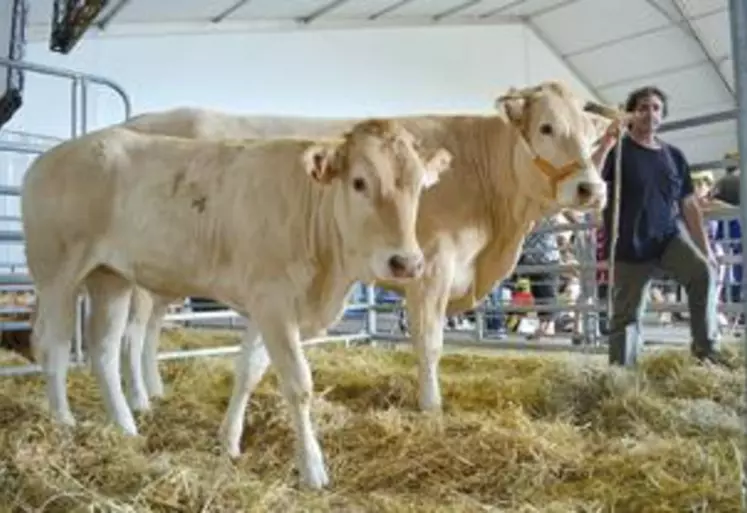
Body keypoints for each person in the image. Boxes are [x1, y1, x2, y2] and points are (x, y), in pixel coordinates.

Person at [592, 85, 728, 367]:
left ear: (662, 115)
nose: (649, 113)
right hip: (629, 243)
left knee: (702, 272)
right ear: (631, 115)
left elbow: (689, 205)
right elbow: (590, 177)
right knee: (626, 316)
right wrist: (606, 142)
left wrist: (706, 250)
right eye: (642, 107)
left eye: (655, 108)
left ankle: (706, 352)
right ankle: (622, 374)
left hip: (668, 238)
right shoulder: (618, 151)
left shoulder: (673, 156)